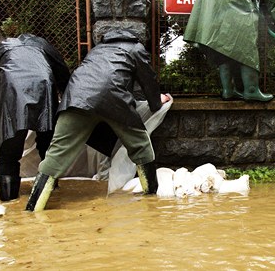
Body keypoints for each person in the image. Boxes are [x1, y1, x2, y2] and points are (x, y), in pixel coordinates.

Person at [25, 29, 171, 212]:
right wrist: (156, 102)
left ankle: (32, 209)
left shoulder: (97, 49)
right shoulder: (135, 48)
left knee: (55, 154)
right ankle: (151, 199)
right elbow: (148, 79)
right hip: (114, 101)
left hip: (76, 99)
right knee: (141, 146)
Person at [0, 33, 71, 202]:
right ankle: (49, 191)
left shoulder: (4, 47)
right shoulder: (42, 45)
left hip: (12, 87)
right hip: (43, 85)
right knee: (47, 141)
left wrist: (1, 107)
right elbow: (62, 72)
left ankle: (8, 198)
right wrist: (67, 98)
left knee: (9, 147)